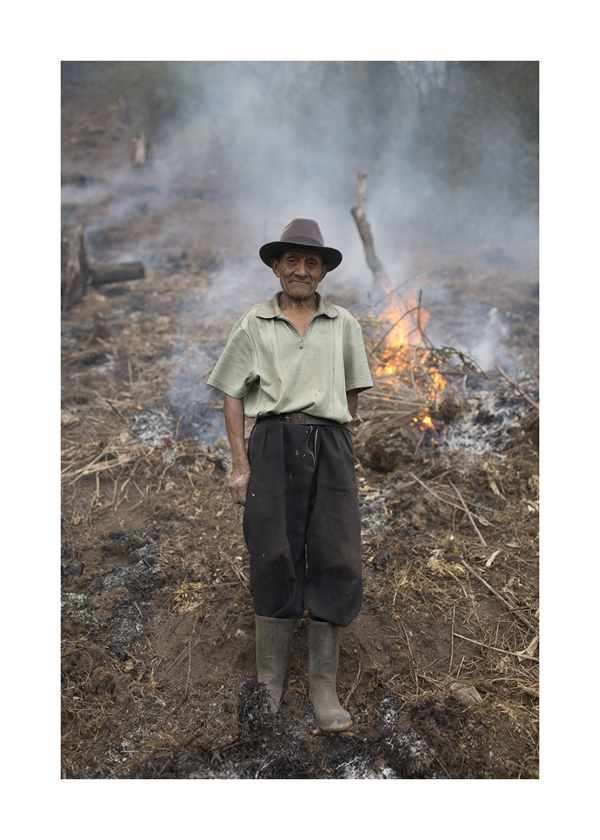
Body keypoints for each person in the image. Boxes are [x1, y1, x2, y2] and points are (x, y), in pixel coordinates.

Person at [207, 218, 373, 732]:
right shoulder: (255, 323)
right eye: (292, 261)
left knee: (337, 552)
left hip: (330, 446)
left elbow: (351, 393)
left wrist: (326, 424)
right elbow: (233, 392)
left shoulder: (342, 322)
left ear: (322, 272)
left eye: (312, 262)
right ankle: (269, 680)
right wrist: (241, 462)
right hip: (273, 444)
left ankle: (324, 685)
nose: (301, 270)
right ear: (277, 267)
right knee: (273, 549)